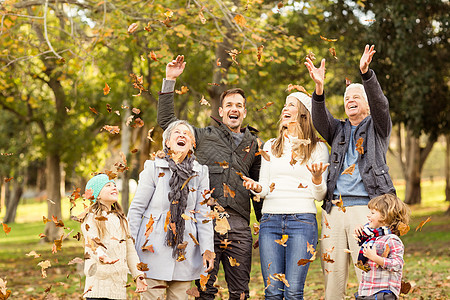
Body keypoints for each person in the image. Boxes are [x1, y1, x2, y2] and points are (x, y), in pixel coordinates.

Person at [157, 55, 261, 299]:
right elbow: (168, 123)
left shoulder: (254, 145)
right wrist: (170, 80)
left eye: (239, 105)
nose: (234, 109)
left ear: (244, 112)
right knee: (204, 290)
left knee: (240, 292)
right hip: (206, 223)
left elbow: (259, 189)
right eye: (230, 105)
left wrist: (263, 224)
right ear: (221, 110)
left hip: (239, 226)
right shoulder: (202, 136)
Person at [305, 44, 397, 299]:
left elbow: (381, 104)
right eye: (347, 99)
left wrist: (366, 75)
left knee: (369, 276)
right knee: (332, 277)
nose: (350, 101)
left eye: (356, 97)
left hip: (367, 211)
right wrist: (319, 89)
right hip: (334, 210)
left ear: (366, 104)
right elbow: (320, 119)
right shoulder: (339, 130)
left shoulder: (378, 127)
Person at [241, 92, 329, 299]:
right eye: (284, 104)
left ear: (304, 114)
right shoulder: (271, 145)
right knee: (272, 291)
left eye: (291, 104)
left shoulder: (317, 148)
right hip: (270, 221)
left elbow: (320, 195)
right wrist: (255, 186)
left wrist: (316, 178)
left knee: (293, 291)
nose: (284, 108)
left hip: (302, 221)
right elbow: (265, 189)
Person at [128, 120, 215, 300]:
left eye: (187, 133)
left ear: (192, 144)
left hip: (184, 251)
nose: (182, 135)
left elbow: (204, 214)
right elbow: (136, 210)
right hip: (151, 249)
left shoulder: (200, 172)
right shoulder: (153, 168)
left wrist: (207, 249)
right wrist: (129, 248)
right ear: (167, 142)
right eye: (177, 132)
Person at [81, 174, 148, 299]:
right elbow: (92, 240)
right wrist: (101, 254)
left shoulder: (122, 220)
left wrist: (138, 275)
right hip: (98, 286)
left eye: (115, 185)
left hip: (118, 288)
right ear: (98, 195)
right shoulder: (91, 217)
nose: (114, 187)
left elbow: (130, 252)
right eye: (108, 185)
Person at [354, 194, 410, 300]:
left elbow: (397, 265)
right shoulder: (371, 237)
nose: (368, 216)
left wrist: (376, 258)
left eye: (372, 213)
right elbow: (362, 244)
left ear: (384, 216)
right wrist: (359, 231)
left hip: (384, 292)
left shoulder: (392, 240)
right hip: (367, 289)